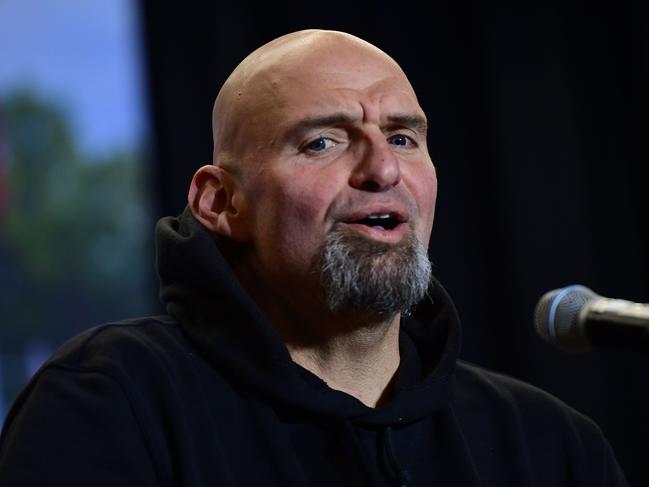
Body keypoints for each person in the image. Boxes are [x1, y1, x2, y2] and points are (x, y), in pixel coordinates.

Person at [0, 29, 627, 486]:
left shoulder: (549, 444)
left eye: (403, 138)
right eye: (323, 142)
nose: (383, 169)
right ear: (221, 202)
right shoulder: (112, 401)